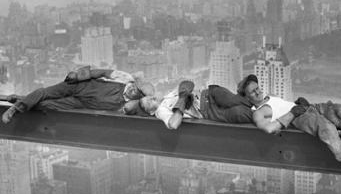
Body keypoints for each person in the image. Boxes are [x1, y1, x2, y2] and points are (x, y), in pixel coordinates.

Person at [237, 74, 341, 186]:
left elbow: (283, 105)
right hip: (300, 118)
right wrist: (293, 113)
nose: (257, 92)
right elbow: (269, 128)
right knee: (327, 128)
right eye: (253, 92)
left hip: (309, 108)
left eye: (257, 88)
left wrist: (297, 103)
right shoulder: (258, 112)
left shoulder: (269, 96)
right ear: (247, 98)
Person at [1, 66, 155, 123]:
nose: (133, 90)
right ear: (134, 82)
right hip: (79, 87)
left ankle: (19, 99)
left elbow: (137, 111)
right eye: (135, 87)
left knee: (46, 105)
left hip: (80, 103)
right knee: (44, 92)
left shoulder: (128, 105)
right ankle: (14, 108)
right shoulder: (124, 78)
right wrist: (77, 75)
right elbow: (99, 72)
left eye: (137, 93)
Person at [138, 81, 253, 129]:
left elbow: (188, 84)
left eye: (149, 97)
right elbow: (173, 124)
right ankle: (264, 113)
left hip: (208, 94)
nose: (152, 98)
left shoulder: (166, 97)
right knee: (238, 112)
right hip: (207, 109)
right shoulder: (160, 111)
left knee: (234, 100)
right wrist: (182, 100)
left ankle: (262, 106)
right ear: (151, 112)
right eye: (149, 102)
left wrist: (185, 88)